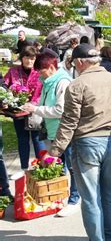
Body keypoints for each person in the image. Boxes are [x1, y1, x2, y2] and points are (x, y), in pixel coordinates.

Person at [42, 44, 111, 241]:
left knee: (90, 199)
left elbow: (69, 122)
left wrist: (55, 151)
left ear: (80, 62)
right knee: (109, 196)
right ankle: (110, 237)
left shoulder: (77, 84)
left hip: (87, 142)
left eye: (74, 63)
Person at [22, 49, 81, 217]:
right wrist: (31, 105)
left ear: (52, 67)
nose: (40, 74)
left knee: (71, 165)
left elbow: (61, 110)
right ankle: (60, 196)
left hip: (65, 132)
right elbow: (43, 102)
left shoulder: (62, 82)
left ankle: (74, 199)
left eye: (42, 70)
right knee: (58, 165)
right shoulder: (48, 82)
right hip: (53, 132)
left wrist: (36, 109)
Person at [4, 46, 45, 170]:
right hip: (18, 112)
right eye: (27, 57)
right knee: (22, 139)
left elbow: (44, 91)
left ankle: (42, 167)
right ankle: (24, 168)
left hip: (35, 111)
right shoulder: (13, 71)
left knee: (37, 139)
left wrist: (34, 104)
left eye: (33, 58)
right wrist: (7, 100)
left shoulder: (40, 73)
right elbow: (4, 86)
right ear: (22, 58)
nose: (30, 61)